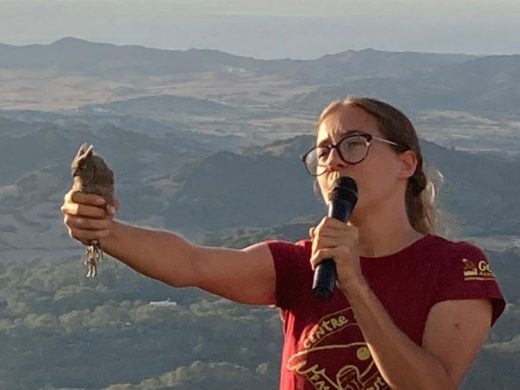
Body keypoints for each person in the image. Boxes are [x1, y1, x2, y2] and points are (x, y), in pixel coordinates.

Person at [61, 96, 505, 390]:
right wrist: (105, 231)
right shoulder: (300, 263)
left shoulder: (455, 268)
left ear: (406, 163)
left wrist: (354, 284)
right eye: (324, 152)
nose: (334, 161)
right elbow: (191, 263)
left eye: (354, 144)